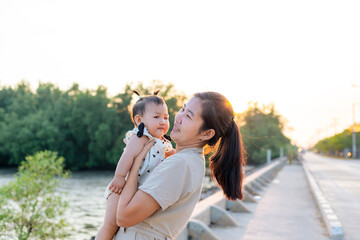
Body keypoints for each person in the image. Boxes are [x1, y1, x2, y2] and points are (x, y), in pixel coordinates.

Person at [112, 91, 246, 240]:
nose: (178, 118)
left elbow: (124, 217)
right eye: (182, 109)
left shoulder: (181, 164)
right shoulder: (188, 160)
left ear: (207, 133)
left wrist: (136, 162)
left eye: (188, 116)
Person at [96, 91, 175, 240]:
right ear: (139, 121)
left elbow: (172, 155)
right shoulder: (140, 137)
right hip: (121, 188)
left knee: (122, 224)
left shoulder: (164, 142)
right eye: (156, 117)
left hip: (137, 192)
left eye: (166, 117)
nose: (163, 122)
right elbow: (127, 156)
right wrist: (119, 177)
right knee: (110, 225)